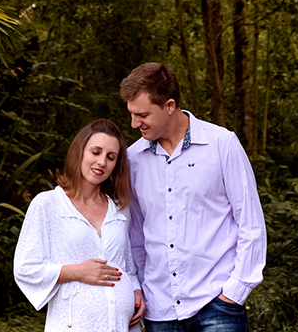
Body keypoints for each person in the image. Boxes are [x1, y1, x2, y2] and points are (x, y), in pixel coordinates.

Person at [121, 62, 266, 332]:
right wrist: (138, 286)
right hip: (159, 310)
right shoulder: (133, 159)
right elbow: (136, 234)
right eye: (131, 114)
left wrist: (235, 291)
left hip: (217, 305)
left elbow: (250, 222)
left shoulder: (222, 144)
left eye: (142, 115)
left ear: (169, 105)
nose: (134, 123)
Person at [14, 119, 146, 332]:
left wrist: (136, 289)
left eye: (110, 157)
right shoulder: (48, 204)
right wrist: (77, 271)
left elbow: (127, 266)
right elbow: (25, 268)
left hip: (121, 326)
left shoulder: (120, 209)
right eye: (96, 152)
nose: (102, 162)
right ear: (80, 152)